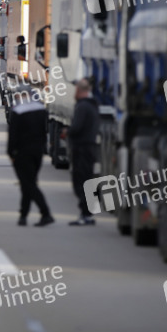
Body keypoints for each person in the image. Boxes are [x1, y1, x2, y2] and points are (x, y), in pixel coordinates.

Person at [7, 86, 54, 227]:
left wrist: (10, 152)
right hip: (37, 152)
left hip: (23, 153)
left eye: (17, 95)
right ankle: (23, 215)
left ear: (21, 95)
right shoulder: (41, 109)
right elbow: (44, 131)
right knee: (28, 182)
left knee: (28, 184)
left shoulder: (18, 111)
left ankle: (46, 213)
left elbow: (13, 135)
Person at [68, 78, 101, 226]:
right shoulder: (93, 105)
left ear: (79, 90)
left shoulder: (82, 107)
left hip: (81, 148)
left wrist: (67, 132)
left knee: (80, 181)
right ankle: (89, 214)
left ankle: (85, 214)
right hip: (90, 146)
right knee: (88, 179)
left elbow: (76, 127)